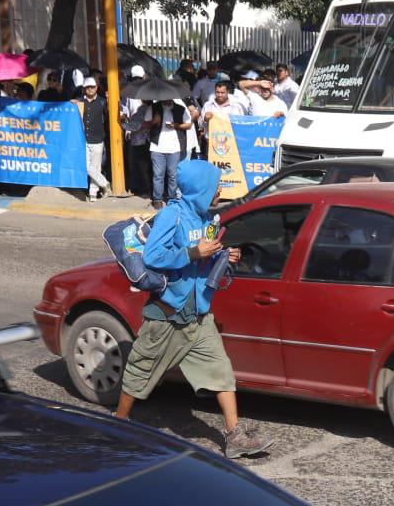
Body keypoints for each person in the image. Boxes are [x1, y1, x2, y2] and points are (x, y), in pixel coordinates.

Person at [114, 159, 274, 459]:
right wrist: (193, 251)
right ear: (199, 188)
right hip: (168, 314)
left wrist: (223, 256)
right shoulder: (172, 216)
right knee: (140, 371)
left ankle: (234, 435)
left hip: (199, 313)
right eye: (215, 186)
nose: (219, 191)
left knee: (221, 370)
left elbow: (203, 259)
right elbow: (153, 256)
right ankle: (119, 424)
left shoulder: (204, 218)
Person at [144, 97, 193, 209]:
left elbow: (188, 125)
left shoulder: (180, 108)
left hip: (174, 147)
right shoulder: (153, 108)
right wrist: (153, 122)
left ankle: (172, 198)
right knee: (158, 175)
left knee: (173, 174)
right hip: (157, 147)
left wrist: (176, 125)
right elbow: (145, 124)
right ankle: (157, 199)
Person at [77, 77, 110, 202]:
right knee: (86, 166)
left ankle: (93, 193)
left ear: (96, 88)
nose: (90, 89)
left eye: (92, 87)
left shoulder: (102, 102)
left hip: (98, 138)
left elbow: (108, 115)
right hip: (83, 139)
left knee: (96, 167)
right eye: (88, 87)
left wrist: (109, 101)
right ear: (84, 89)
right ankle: (105, 183)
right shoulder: (79, 102)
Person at [121, 66, 151, 198]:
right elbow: (125, 111)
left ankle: (148, 189)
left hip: (148, 135)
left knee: (146, 164)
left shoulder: (150, 91)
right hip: (134, 134)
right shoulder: (129, 93)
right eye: (135, 79)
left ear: (144, 77)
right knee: (135, 164)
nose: (137, 81)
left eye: (139, 78)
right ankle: (139, 188)